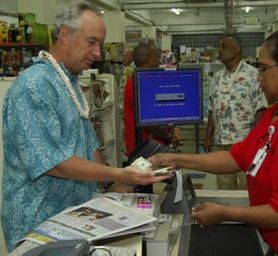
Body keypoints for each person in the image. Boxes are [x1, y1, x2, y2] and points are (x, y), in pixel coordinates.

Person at [150, 27, 278, 255]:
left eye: (263, 68)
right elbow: (236, 157)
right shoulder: (277, 113)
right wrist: (175, 159)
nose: (258, 76)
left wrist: (224, 213)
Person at [1, 4, 169, 251]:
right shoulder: (34, 86)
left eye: (100, 44)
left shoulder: (69, 82)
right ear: (65, 35)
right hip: (38, 225)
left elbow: (89, 144)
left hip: (74, 219)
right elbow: (53, 162)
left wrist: (113, 185)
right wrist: (120, 175)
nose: (98, 52)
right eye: (91, 42)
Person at [204, 34, 268, 190]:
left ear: (236, 49)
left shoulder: (252, 75)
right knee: (225, 187)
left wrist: (257, 139)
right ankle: (228, 215)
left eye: (223, 47)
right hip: (221, 143)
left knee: (247, 186)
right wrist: (208, 137)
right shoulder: (217, 78)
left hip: (245, 142)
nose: (219, 51)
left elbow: (261, 108)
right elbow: (212, 109)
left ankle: (246, 215)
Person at [123, 42, 178, 160]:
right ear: (148, 58)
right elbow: (148, 121)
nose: (159, 61)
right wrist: (168, 136)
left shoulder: (146, 81)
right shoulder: (136, 83)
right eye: (157, 57)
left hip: (154, 144)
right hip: (143, 148)